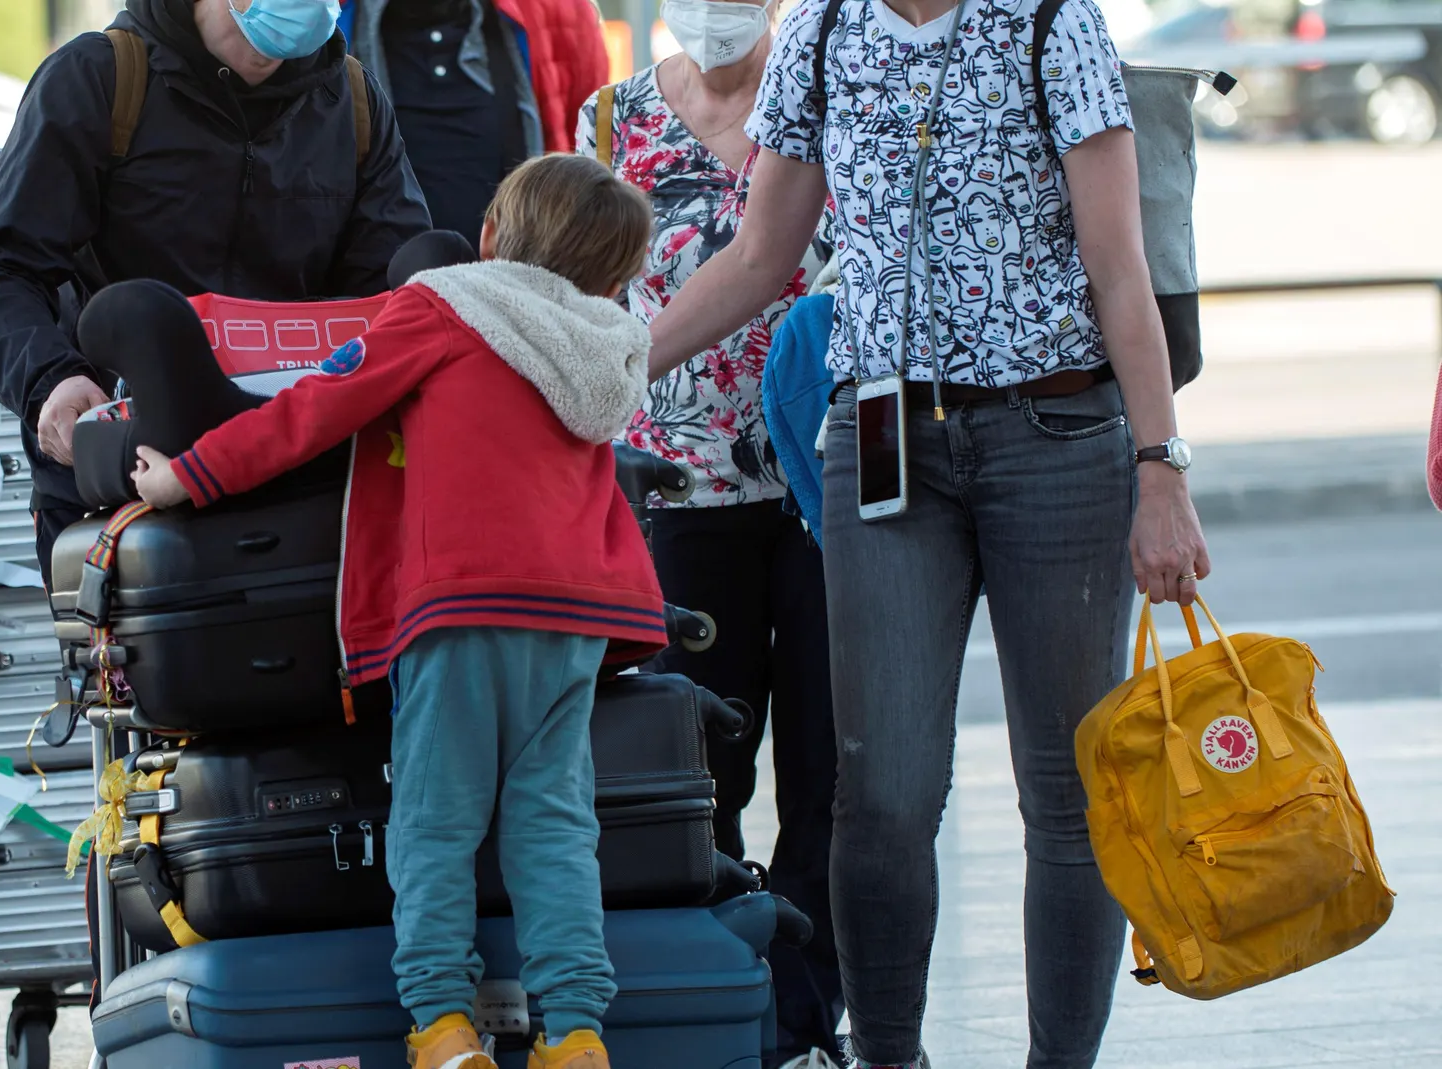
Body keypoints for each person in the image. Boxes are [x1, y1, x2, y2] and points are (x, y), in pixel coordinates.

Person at [643, 0, 1212, 1062]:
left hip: (1058, 431)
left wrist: (1160, 469)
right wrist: (606, 372)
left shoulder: (1051, 23)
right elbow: (762, 255)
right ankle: (889, 1054)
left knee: (1064, 785)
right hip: (884, 439)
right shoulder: (820, 33)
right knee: (886, 791)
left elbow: (1118, 266)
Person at [132, 153, 663, 1069]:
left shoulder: (444, 305)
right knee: (555, 823)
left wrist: (189, 474)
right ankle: (576, 1033)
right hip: (574, 613)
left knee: (435, 821)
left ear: (492, 233)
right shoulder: (605, 343)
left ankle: (442, 1026)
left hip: (461, 603)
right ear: (612, 273)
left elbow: (314, 408)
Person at [576, 6, 841, 1064]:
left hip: (832, 484)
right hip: (677, 489)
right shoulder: (611, 120)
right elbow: (574, 292)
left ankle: (809, 1009)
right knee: (699, 770)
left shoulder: (825, 93)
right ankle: (726, 998)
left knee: (835, 769)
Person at [0, 0, 430, 573]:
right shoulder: (101, 79)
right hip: (127, 483)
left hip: (300, 477)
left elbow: (399, 297)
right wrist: (49, 380)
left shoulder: (350, 101)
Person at [336, 0, 609, 235]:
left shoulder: (561, 15)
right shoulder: (319, 18)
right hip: (373, 287)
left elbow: (584, 157)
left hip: (519, 284)